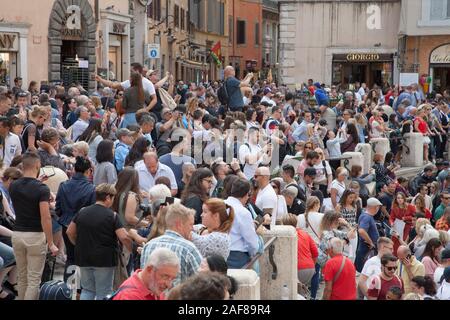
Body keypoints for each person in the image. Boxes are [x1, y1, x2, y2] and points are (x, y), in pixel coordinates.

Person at [66, 184, 132, 300]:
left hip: (83, 257)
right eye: (113, 198)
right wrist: (133, 249)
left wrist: (77, 243)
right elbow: (124, 237)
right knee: (104, 292)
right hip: (104, 259)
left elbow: (69, 232)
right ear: (107, 197)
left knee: (87, 290)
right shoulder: (112, 216)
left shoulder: (82, 211)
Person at [10, 152, 58, 300]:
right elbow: (45, 217)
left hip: (17, 234)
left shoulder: (14, 186)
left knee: (22, 277)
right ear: (38, 165)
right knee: (34, 279)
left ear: (23, 166)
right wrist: (51, 243)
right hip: (35, 236)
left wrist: (37, 182)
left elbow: (27, 190)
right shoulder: (41, 189)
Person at [140, 203, 202, 286]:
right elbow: (202, 282)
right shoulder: (188, 249)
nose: (192, 228)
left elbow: (142, 280)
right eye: (190, 224)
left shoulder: (149, 245)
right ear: (179, 224)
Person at [55, 156, 96, 280]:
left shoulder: (64, 185)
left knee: (71, 258)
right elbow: (92, 211)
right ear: (88, 171)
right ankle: (80, 291)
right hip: (83, 227)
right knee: (82, 259)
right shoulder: (91, 189)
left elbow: (58, 208)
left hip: (66, 224)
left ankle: (70, 291)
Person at [113, 248, 179, 300]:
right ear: (149, 269)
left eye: (172, 279)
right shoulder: (128, 296)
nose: (169, 285)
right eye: (165, 277)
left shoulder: (153, 287)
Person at [225, 178, 259, 268]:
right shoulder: (243, 212)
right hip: (237, 255)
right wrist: (253, 253)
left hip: (219, 252)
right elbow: (251, 242)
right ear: (246, 194)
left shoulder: (219, 205)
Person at [281, 214, 318, 286]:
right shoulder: (304, 233)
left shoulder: (285, 236)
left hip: (298, 269)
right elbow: (315, 252)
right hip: (310, 268)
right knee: (300, 292)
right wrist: (311, 264)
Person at [355, 198, 381, 272]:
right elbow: (361, 231)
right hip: (366, 248)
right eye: (378, 207)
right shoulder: (366, 217)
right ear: (375, 207)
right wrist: (371, 243)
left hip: (366, 248)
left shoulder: (366, 216)